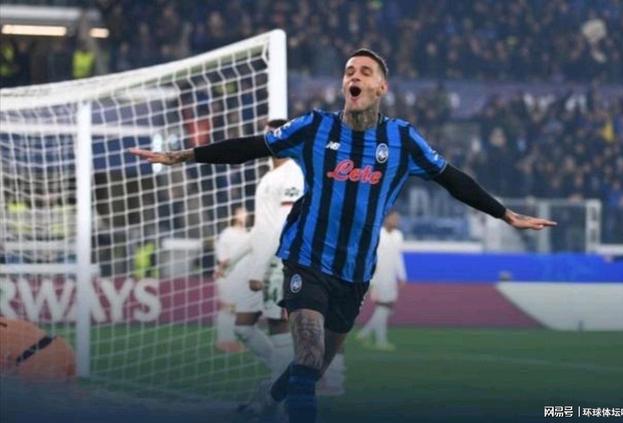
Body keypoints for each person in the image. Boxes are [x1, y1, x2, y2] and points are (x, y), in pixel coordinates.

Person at [130, 48, 556, 423]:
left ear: (382, 87)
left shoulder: (402, 139)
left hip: (354, 274)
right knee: (309, 357)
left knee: (312, 367)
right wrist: (182, 156)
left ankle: (268, 398)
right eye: (349, 71)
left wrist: (504, 214)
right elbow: (251, 147)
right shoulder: (314, 128)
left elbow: (452, 178)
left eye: (365, 72)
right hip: (306, 260)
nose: (355, 76)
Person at [216, 119, 303, 411]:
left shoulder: (293, 173)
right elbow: (260, 229)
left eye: (275, 136)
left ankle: (276, 404)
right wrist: (231, 260)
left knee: (278, 326)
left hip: (277, 263)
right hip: (259, 260)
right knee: (243, 327)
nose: (269, 141)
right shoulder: (268, 176)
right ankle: (283, 377)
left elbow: (282, 225)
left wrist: (260, 268)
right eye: (267, 136)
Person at [356, 210, 406, 351]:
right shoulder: (378, 234)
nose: (395, 221)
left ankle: (365, 333)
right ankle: (380, 340)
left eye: (397, 219)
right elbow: (370, 257)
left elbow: (398, 257)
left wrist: (402, 275)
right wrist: (371, 280)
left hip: (391, 277)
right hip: (378, 276)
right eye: (393, 218)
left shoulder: (398, 236)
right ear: (386, 218)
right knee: (384, 307)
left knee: (385, 308)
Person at [213, 206, 250, 353]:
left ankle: (230, 340)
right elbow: (222, 258)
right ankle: (223, 341)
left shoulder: (247, 233)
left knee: (237, 309)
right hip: (228, 275)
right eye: (241, 212)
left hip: (241, 276)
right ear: (234, 215)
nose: (245, 215)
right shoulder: (227, 234)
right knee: (228, 307)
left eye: (245, 212)